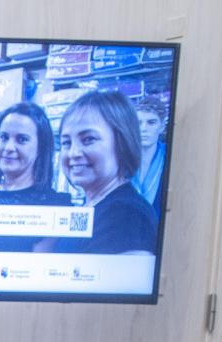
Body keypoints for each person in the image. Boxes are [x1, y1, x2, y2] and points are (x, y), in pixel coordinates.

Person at [55, 90, 157, 256]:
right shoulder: (92, 207)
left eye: (88, 139)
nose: (73, 153)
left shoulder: (127, 215)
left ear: (122, 142)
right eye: (66, 142)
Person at [0, 102, 72, 253]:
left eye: (21, 139)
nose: (8, 147)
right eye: (4, 137)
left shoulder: (54, 206)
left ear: (40, 148)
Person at [132, 100, 168, 218]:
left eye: (151, 122)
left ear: (162, 126)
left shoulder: (171, 157)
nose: (144, 129)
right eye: (139, 123)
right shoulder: (119, 159)